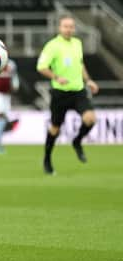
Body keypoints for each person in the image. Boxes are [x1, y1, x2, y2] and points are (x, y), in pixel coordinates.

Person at [36, 15, 99, 174]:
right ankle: (47, 159)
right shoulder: (52, 46)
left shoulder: (77, 43)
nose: (69, 29)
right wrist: (56, 77)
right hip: (60, 94)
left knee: (90, 119)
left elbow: (80, 64)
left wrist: (89, 80)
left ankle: (77, 141)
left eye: (71, 26)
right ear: (59, 28)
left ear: (74, 28)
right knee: (55, 128)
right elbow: (41, 67)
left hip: (78, 91)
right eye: (65, 26)